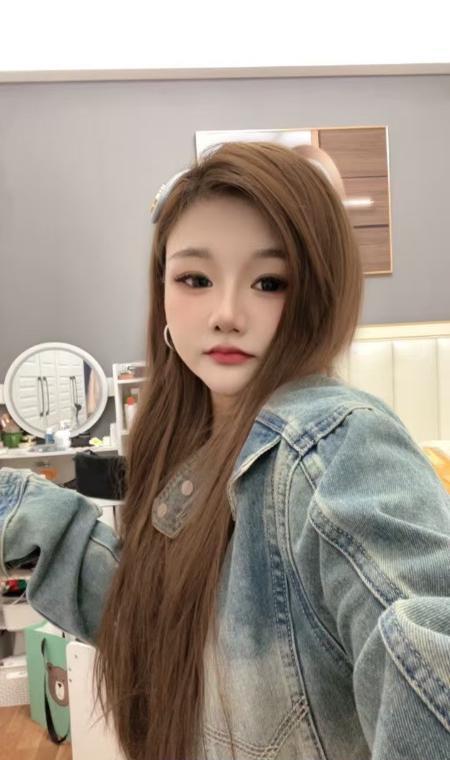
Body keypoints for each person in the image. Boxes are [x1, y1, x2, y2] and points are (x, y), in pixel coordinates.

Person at [1, 141, 450, 760]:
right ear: (162, 290)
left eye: (270, 282)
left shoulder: (335, 442)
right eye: (195, 279)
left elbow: (429, 647)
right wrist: (19, 507)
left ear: (318, 292)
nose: (227, 313)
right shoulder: (197, 443)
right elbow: (159, 625)